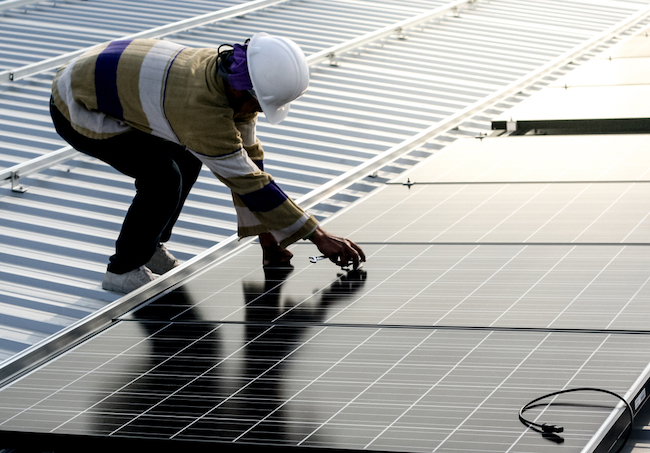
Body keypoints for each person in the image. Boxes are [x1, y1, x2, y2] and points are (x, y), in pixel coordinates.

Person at [49, 32, 366, 294]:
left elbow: (249, 165)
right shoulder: (202, 110)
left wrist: (269, 240)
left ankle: (150, 243)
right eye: (259, 103)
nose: (258, 110)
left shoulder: (227, 74)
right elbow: (246, 181)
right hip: (78, 105)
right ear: (244, 89)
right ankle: (123, 269)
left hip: (109, 80)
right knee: (162, 178)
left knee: (188, 159)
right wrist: (318, 235)